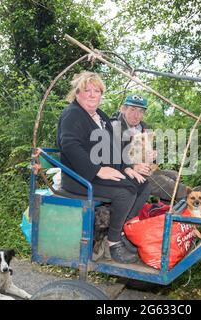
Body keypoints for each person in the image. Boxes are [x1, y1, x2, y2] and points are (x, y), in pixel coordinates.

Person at [56, 72, 150, 264]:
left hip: (96, 174)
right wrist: (97, 170)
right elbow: (70, 146)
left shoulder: (101, 117)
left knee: (143, 185)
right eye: (87, 90)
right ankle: (113, 243)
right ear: (77, 94)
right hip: (78, 178)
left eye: (96, 91)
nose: (92, 95)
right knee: (125, 191)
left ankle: (120, 231)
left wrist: (126, 167)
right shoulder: (72, 114)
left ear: (101, 94)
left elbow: (115, 146)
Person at [111, 93, 201, 206]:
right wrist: (132, 166)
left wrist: (153, 155)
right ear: (123, 109)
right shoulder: (113, 127)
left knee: (174, 175)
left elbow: (143, 154)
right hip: (121, 172)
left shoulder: (143, 128)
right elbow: (110, 156)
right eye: (132, 109)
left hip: (142, 169)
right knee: (160, 180)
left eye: (141, 111)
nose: (136, 115)